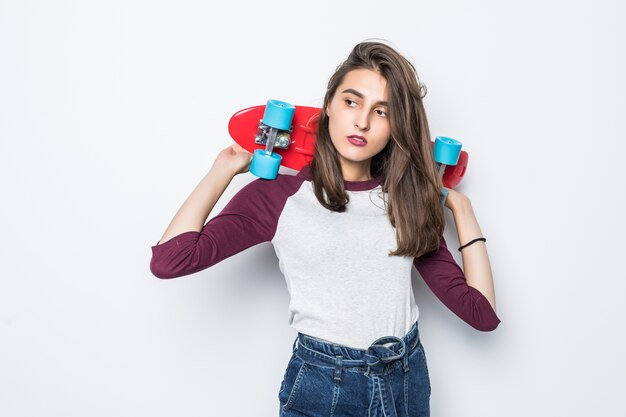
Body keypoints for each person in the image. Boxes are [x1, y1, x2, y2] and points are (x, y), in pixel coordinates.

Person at [150, 40, 500, 417]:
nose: (362, 121)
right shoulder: (280, 198)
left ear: (396, 126)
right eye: (351, 101)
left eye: (381, 111)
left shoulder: (406, 202)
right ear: (328, 106)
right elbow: (171, 260)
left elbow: (481, 314)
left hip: (406, 379)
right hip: (325, 386)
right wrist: (222, 170)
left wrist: (462, 211)